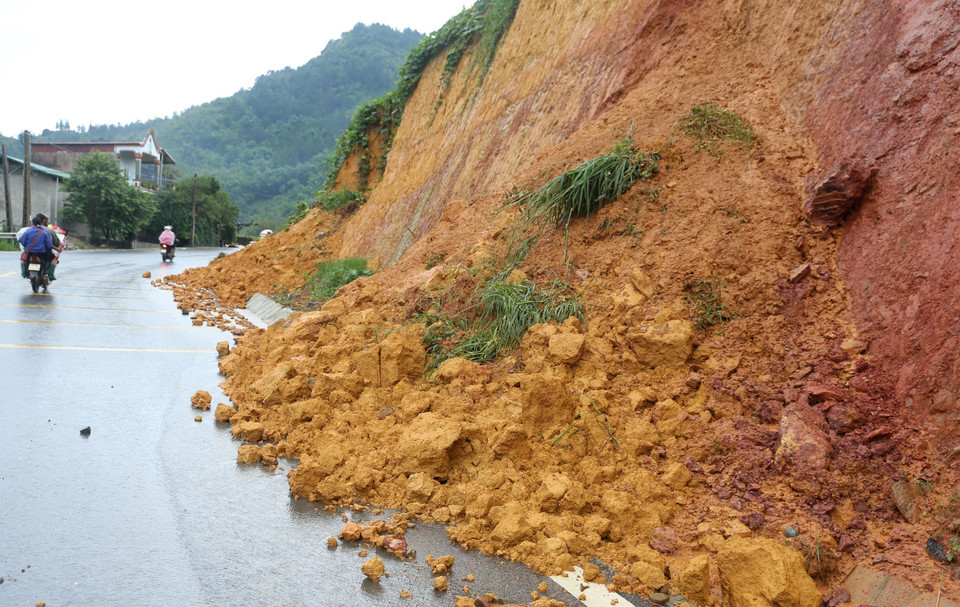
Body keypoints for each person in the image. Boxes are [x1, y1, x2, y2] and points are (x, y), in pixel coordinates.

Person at [37, 213, 63, 281]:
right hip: (43, 252)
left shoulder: (29, 230)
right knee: (53, 259)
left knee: (23, 259)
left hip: (30, 251)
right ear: (43, 221)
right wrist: (57, 248)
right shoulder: (48, 230)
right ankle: (50, 275)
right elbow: (50, 243)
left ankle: (25, 273)